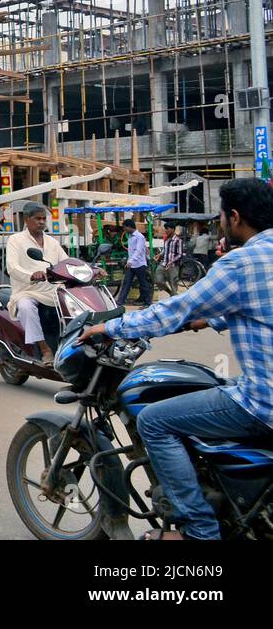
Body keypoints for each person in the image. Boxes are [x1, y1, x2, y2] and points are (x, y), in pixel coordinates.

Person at [79, 179, 273, 540]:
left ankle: (197, 529)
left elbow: (173, 309)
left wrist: (112, 328)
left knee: (154, 421)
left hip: (264, 402)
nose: (220, 225)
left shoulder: (241, 263)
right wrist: (210, 318)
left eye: (220, 218)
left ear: (234, 217)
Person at [5, 201, 69, 366]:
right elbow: (12, 268)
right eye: (37, 218)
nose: (41, 222)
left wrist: (90, 269)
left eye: (43, 219)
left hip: (53, 291)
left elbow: (66, 262)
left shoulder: (52, 242)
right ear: (26, 219)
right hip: (28, 291)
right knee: (26, 307)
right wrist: (32, 275)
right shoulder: (15, 240)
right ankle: (45, 349)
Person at [117, 218, 153, 308]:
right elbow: (131, 251)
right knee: (126, 282)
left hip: (140, 264)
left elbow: (139, 251)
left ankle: (148, 303)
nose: (124, 229)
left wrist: (130, 261)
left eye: (125, 227)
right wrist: (129, 261)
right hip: (131, 264)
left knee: (143, 284)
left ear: (129, 227)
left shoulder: (139, 237)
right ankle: (120, 302)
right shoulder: (129, 236)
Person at [158, 223, 184, 297]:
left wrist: (171, 262)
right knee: (158, 280)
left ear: (172, 229)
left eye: (167, 229)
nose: (165, 230)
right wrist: (160, 254)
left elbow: (180, 254)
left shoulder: (178, 240)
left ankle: (174, 299)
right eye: (165, 228)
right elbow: (165, 250)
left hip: (173, 266)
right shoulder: (167, 239)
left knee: (173, 285)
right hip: (163, 264)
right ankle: (170, 292)